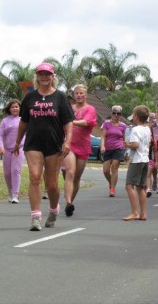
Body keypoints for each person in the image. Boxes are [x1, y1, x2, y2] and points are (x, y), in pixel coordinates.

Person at [13, 62, 74, 231]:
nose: (44, 77)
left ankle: (54, 210)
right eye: (41, 74)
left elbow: (69, 123)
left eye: (47, 74)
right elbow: (24, 121)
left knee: (52, 184)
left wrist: (67, 141)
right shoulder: (30, 98)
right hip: (33, 143)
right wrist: (18, 141)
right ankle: (35, 217)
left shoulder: (60, 97)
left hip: (54, 145)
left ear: (53, 77)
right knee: (34, 176)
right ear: (37, 77)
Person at [62, 84, 97, 216]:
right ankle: (69, 201)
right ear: (74, 95)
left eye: (81, 93)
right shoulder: (70, 108)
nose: (79, 95)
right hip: (69, 145)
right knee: (69, 174)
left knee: (76, 178)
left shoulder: (90, 109)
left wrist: (70, 121)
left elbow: (86, 122)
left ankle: (68, 203)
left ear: (86, 95)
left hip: (83, 146)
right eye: (77, 93)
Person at [122, 105, 151, 221]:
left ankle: (134, 212)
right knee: (140, 187)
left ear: (136, 117)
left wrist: (127, 145)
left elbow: (135, 145)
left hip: (137, 160)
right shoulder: (147, 129)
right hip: (145, 159)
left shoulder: (135, 129)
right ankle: (143, 213)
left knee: (129, 185)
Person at [0, 99, 25, 204]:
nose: (15, 108)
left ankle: (15, 194)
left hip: (20, 149)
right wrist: (1, 146)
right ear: (9, 109)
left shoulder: (23, 120)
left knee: (15, 171)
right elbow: (0, 135)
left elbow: (28, 133)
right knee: (7, 173)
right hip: (7, 150)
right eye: (13, 107)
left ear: (20, 108)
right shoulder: (5, 121)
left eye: (17, 107)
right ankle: (10, 192)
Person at [101, 105, 126, 197]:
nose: (116, 115)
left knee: (114, 168)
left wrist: (125, 150)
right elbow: (103, 136)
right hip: (107, 148)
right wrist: (102, 146)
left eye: (118, 113)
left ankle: (112, 189)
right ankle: (111, 183)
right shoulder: (106, 123)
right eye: (114, 113)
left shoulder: (123, 126)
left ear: (120, 115)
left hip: (118, 148)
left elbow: (124, 138)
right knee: (106, 171)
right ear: (111, 113)